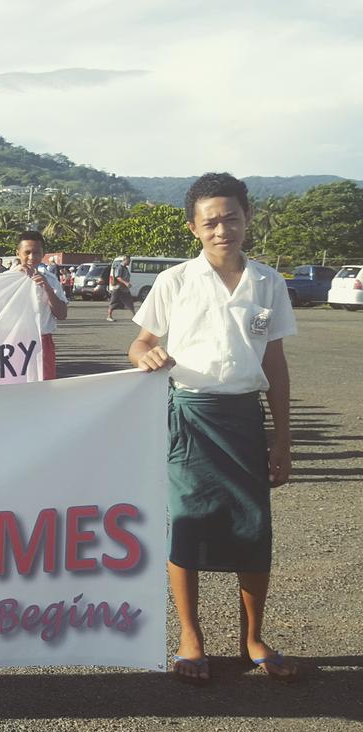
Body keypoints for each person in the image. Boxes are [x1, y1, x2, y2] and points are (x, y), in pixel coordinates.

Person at [129, 172, 298, 685]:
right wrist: (145, 355)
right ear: (193, 228)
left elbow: (275, 365)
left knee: (253, 527)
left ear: (248, 218)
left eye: (231, 218)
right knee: (188, 523)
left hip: (244, 417)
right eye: (210, 222)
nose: (222, 229)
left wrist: (283, 438)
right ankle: (190, 637)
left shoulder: (268, 283)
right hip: (189, 416)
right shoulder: (175, 281)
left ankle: (253, 638)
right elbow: (140, 344)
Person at [13, 230, 68, 379]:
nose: (32, 257)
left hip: (42, 343)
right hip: (13, 342)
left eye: (36, 252)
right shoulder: (6, 280)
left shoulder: (50, 280)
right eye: (27, 252)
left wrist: (47, 288)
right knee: (12, 386)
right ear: (18, 253)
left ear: (43, 254)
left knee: (44, 385)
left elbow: (62, 314)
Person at [107, 254, 135, 321]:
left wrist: (127, 284)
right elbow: (118, 277)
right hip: (118, 288)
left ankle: (135, 316)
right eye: (128, 261)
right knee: (113, 302)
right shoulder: (120, 267)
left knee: (129, 302)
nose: (129, 262)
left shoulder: (125, 268)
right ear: (124, 260)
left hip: (124, 289)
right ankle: (109, 316)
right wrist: (126, 283)